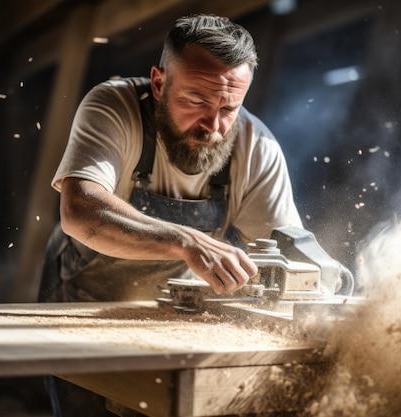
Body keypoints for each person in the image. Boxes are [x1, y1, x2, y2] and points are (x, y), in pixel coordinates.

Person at [39, 14, 305, 417]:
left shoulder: (258, 147)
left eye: (229, 107)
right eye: (197, 101)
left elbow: (288, 254)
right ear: (160, 83)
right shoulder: (114, 105)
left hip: (170, 318)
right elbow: (80, 210)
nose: (213, 127)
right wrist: (185, 241)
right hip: (81, 305)